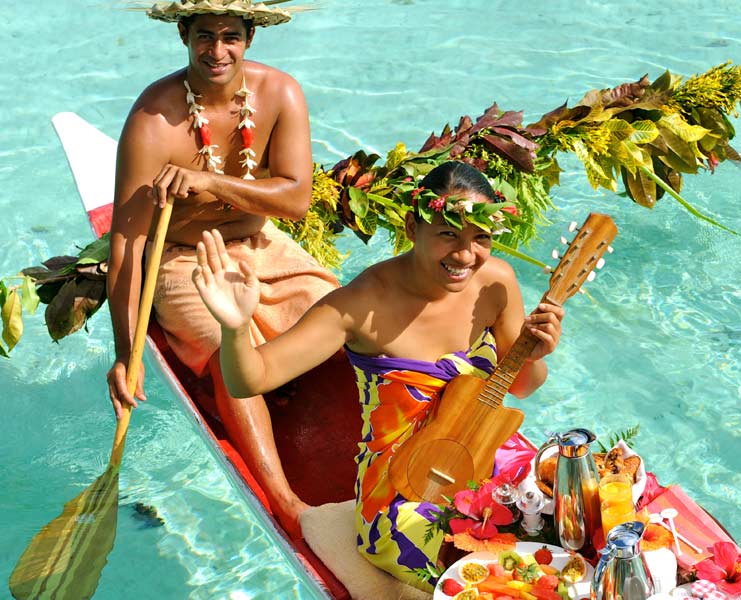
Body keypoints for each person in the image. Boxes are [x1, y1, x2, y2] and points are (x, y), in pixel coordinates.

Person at [194, 161, 565, 590]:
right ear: (411, 227)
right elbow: (251, 379)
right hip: (403, 489)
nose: (466, 256)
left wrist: (534, 355)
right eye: (448, 234)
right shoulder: (360, 305)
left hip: (488, 451)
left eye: (480, 238)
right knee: (474, 574)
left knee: (568, 516)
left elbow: (524, 386)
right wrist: (236, 325)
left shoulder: (496, 282)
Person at [106, 0, 336, 537]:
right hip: (179, 255)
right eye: (204, 36)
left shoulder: (280, 93)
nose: (217, 50)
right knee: (228, 345)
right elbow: (127, 244)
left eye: (230, 36)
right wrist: (125, 353)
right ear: (183, 34)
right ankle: (285, 502)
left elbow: (296, 200)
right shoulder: (152, 119)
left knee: (336, 315)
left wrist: (210, 182)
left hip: (261, 242)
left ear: (249, 38)